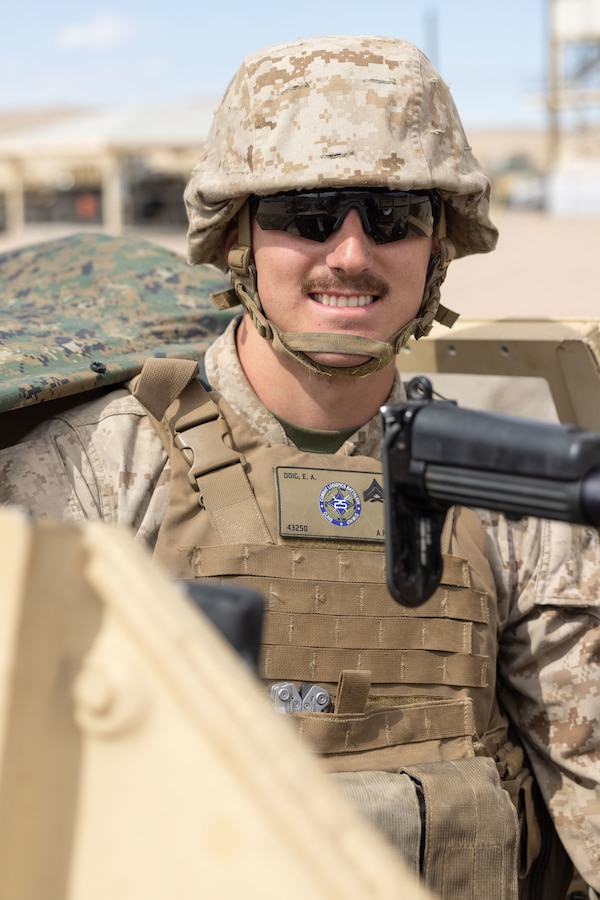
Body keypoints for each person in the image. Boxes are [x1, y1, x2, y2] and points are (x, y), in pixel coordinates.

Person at [1, 35, 599, 900]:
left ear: (438, 248)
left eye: (394, 218)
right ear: (239, 238)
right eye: (309, 214)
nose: (352, 255)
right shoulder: (94, 473)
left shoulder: (510, 503)